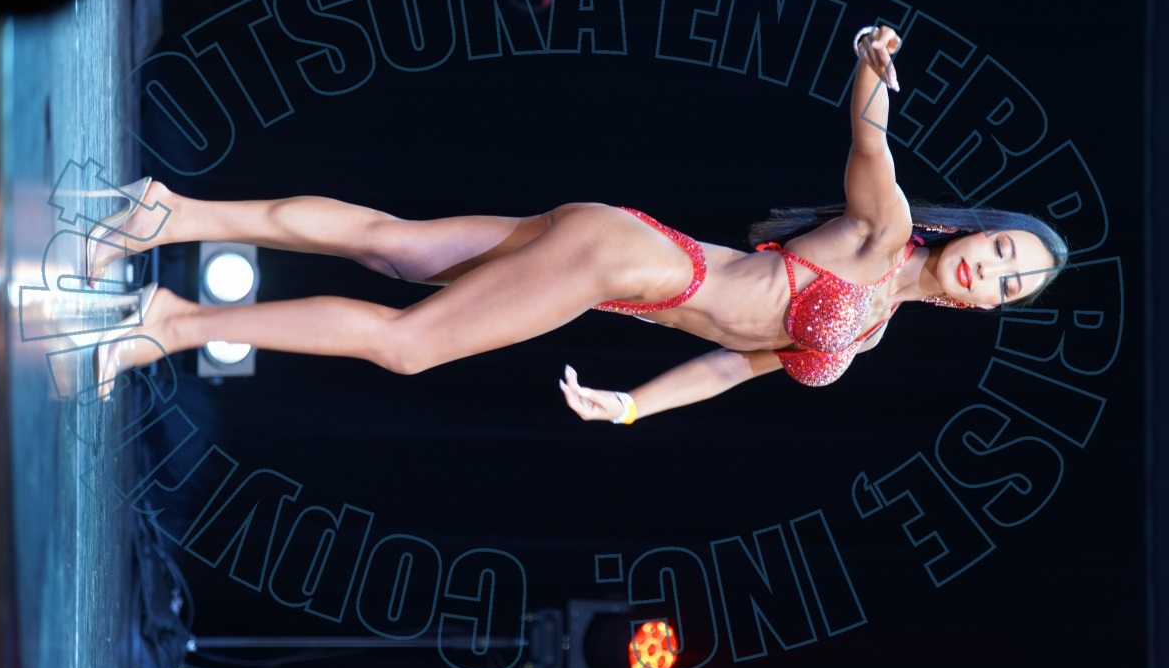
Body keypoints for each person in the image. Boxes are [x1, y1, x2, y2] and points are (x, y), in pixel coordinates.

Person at [85, 25, 1067, 421]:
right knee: (407, 346)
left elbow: (732, 365)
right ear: (975, 230)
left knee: (397, 245)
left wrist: (634, 406)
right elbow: (869, 143)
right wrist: (870, 62)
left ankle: (167, 213)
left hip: (618, 260)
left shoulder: (876, 326)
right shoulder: (887, 233)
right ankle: (171, 321)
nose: (994, 269)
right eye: (1003, 247)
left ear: (992, 306)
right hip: (624, 259)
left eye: (1012, 280)